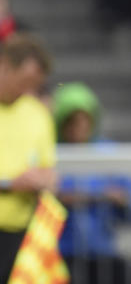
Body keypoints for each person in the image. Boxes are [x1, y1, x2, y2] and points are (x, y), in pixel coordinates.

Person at [53, 82, 131, 284]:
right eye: (72, 121)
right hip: (61, 254)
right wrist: (99, 196)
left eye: (85, 120)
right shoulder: (51, 153)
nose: (80, 128)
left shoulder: (107, 153)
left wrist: (122, 200)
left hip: (101, 252)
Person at [0, 34, 56, 283]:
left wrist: (46, 179)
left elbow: (47, 168)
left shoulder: (38, 114)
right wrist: (11, 184)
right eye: (24, 81)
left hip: (21, 234)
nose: (28, 90)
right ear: (5, 66)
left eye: (35, 84)